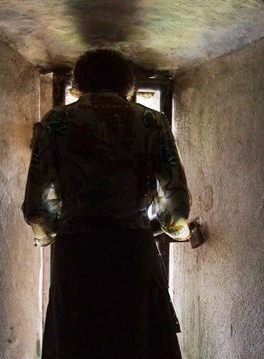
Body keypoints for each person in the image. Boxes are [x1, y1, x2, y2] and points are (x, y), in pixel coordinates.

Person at [22, 49, 191, 359]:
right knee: (136, 341)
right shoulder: (149, 121)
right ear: (126, 81)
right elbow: (177, 205)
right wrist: (171, 230)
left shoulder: (56, 122)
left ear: (79, 81)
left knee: (78, 342)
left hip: (76, 254)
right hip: (131, 250)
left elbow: (35, 207)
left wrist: (53, 231)